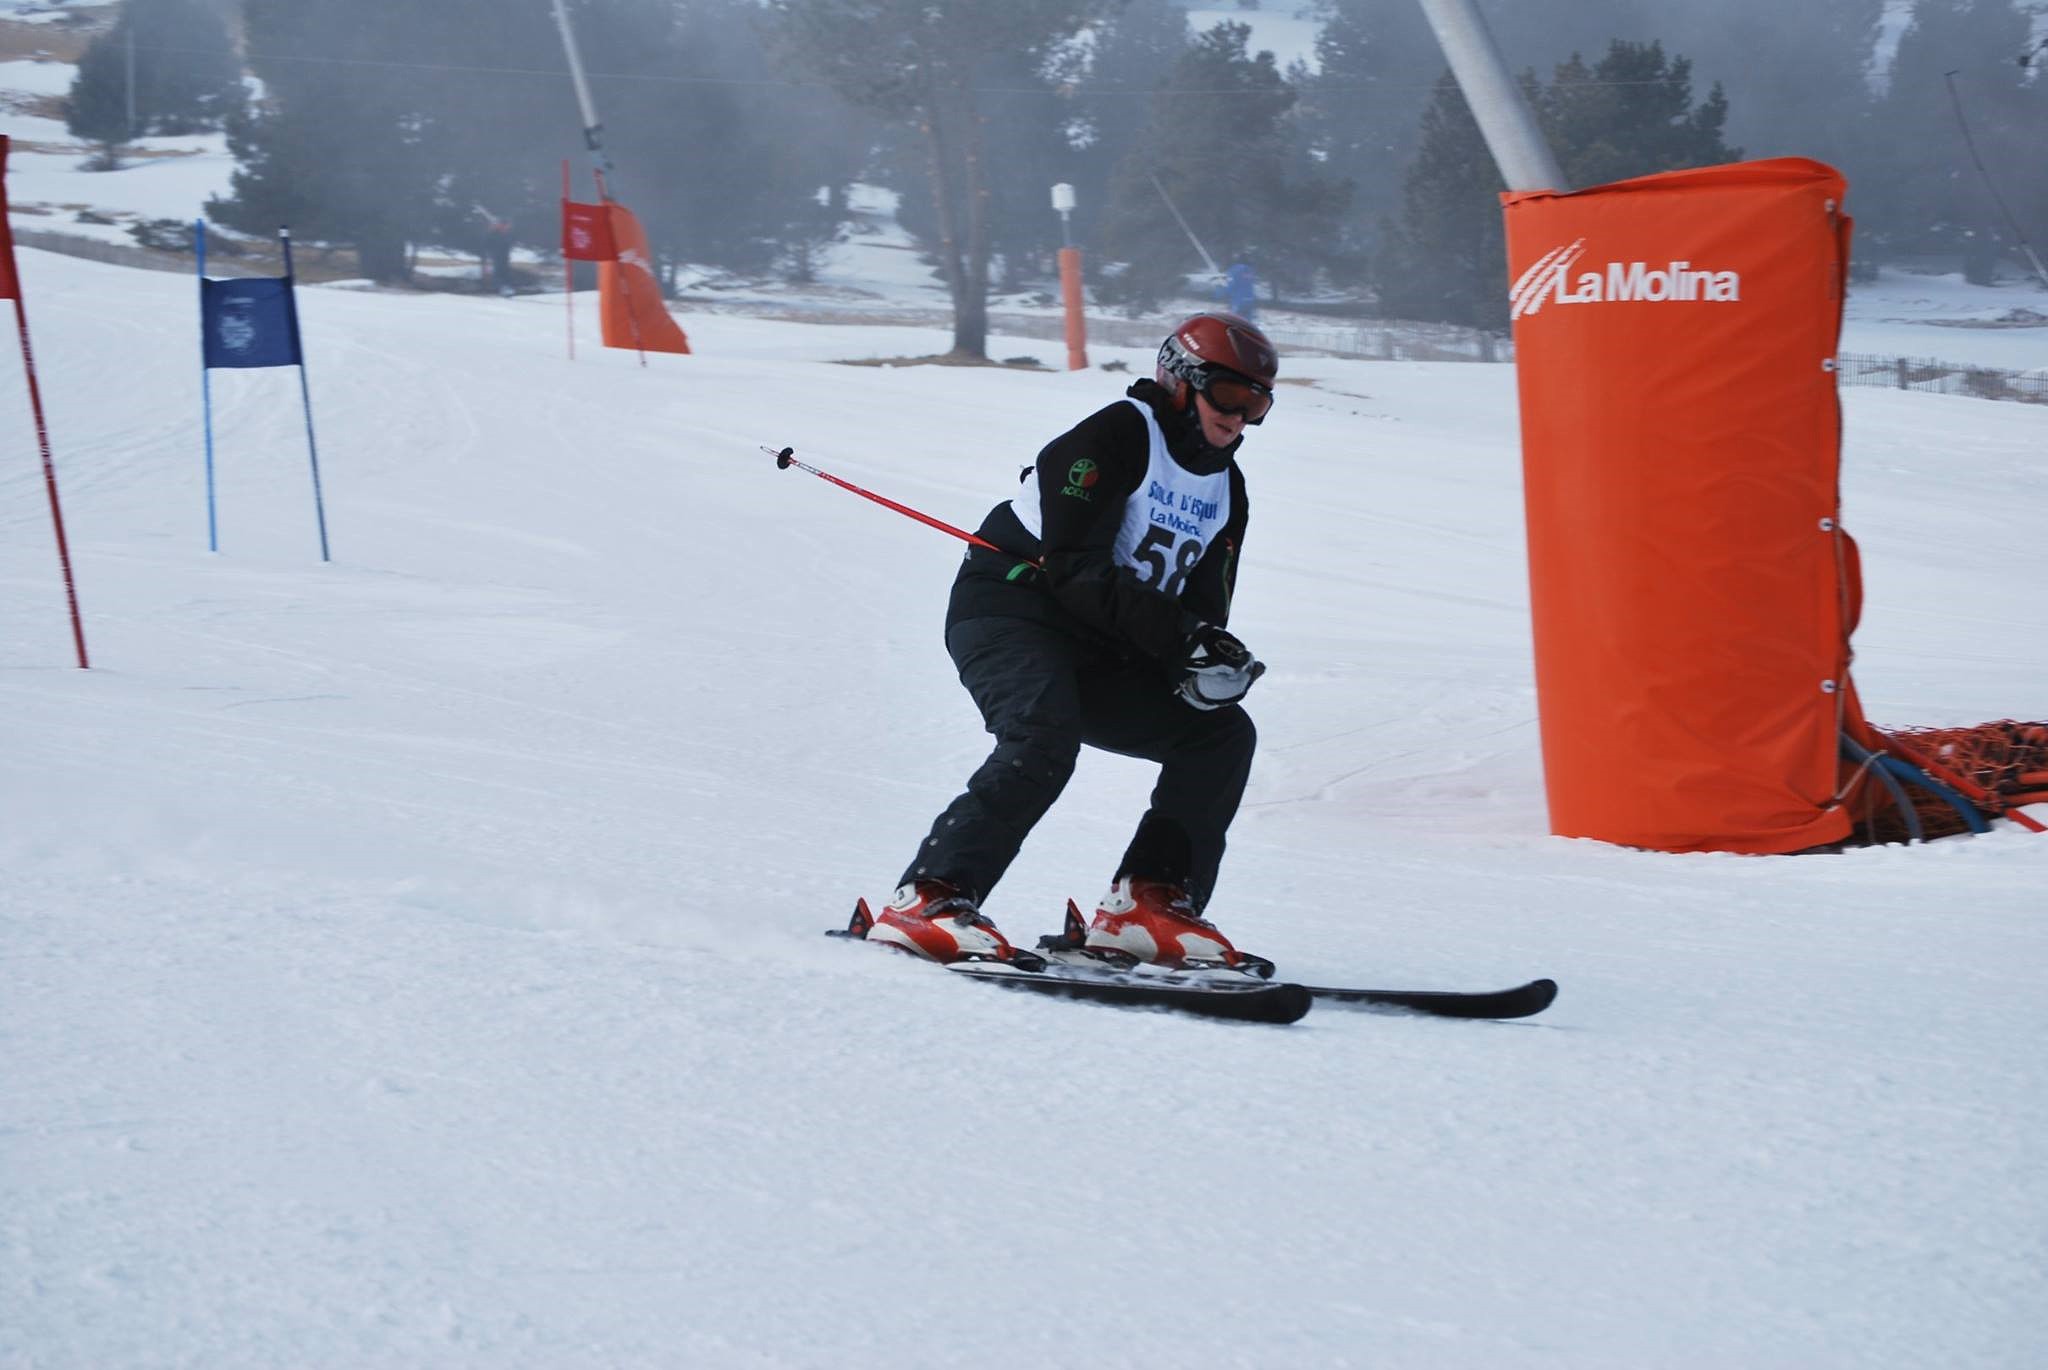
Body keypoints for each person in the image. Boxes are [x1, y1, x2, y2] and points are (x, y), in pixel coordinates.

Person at [870, 312, 1278, 968]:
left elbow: (1200, 606)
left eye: (1257, 403)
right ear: (1179, 382)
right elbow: (1075, 570)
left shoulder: (1227, 489)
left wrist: (1206, 657)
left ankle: (1148, 904)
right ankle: (928, 898)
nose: (1240, 419)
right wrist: (1182, 636)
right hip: (1011, 610)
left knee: (1220, 735)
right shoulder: (1116, 435)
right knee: (1042, 736)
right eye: (1229, 396)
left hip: (1100, 643)